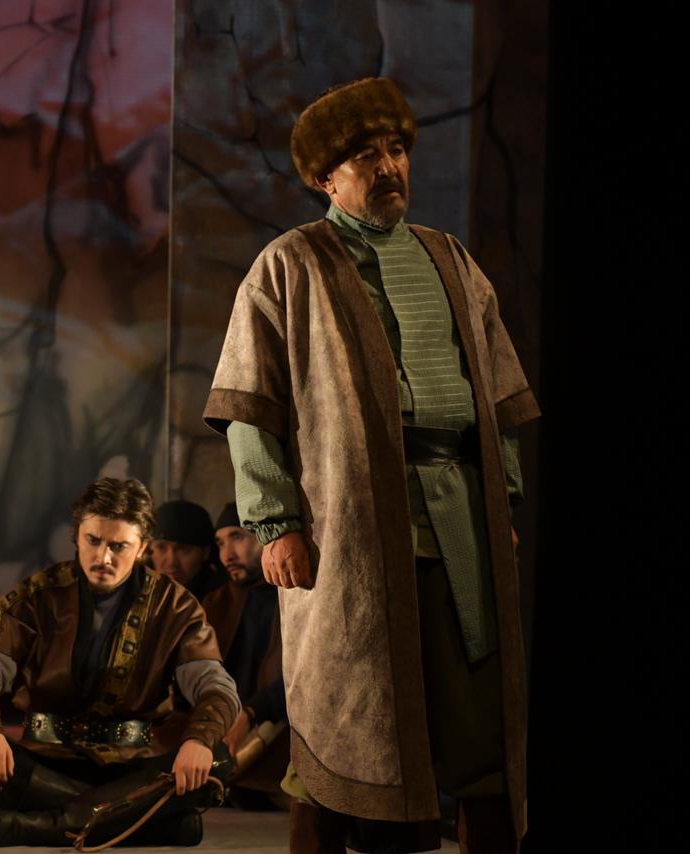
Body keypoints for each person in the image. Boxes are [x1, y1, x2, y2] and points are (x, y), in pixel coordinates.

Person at [203, 77, 540, 854]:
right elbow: (249, 409)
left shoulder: (450, 260)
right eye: (366, 156)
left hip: (461, 525)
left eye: (396, 150)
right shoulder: (289, 265)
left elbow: (498, 397)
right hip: (348, 534)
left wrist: (503, 503)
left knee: (480, 732)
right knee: (340, 723)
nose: (389, 167)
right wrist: (276, 524)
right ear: (326, 177)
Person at [0, 477, 241, 847]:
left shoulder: (176, 607)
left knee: (216, 759)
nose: (103, 558)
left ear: (142, 548)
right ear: (77, 536)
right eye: (93, 541)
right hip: (48, 760)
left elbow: (215, 686)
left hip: (134, 763)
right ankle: (147, 823)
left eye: (119, 546)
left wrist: (199, 739)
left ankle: (43, 825)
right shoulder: (37, 597)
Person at [203, 502, 290, 811]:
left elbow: (305, 680)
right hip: (224, 731)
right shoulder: (215, 604)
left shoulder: (293, 596)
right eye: (220, 543)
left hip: (278, 732)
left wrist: (252, 712)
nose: (227, 555)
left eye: (237, 537)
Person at [149, 499, 228, 599]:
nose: (171, 562)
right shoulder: (139, 593)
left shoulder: (223, 599)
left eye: (183, 549)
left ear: (205, 553)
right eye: (161, 547)